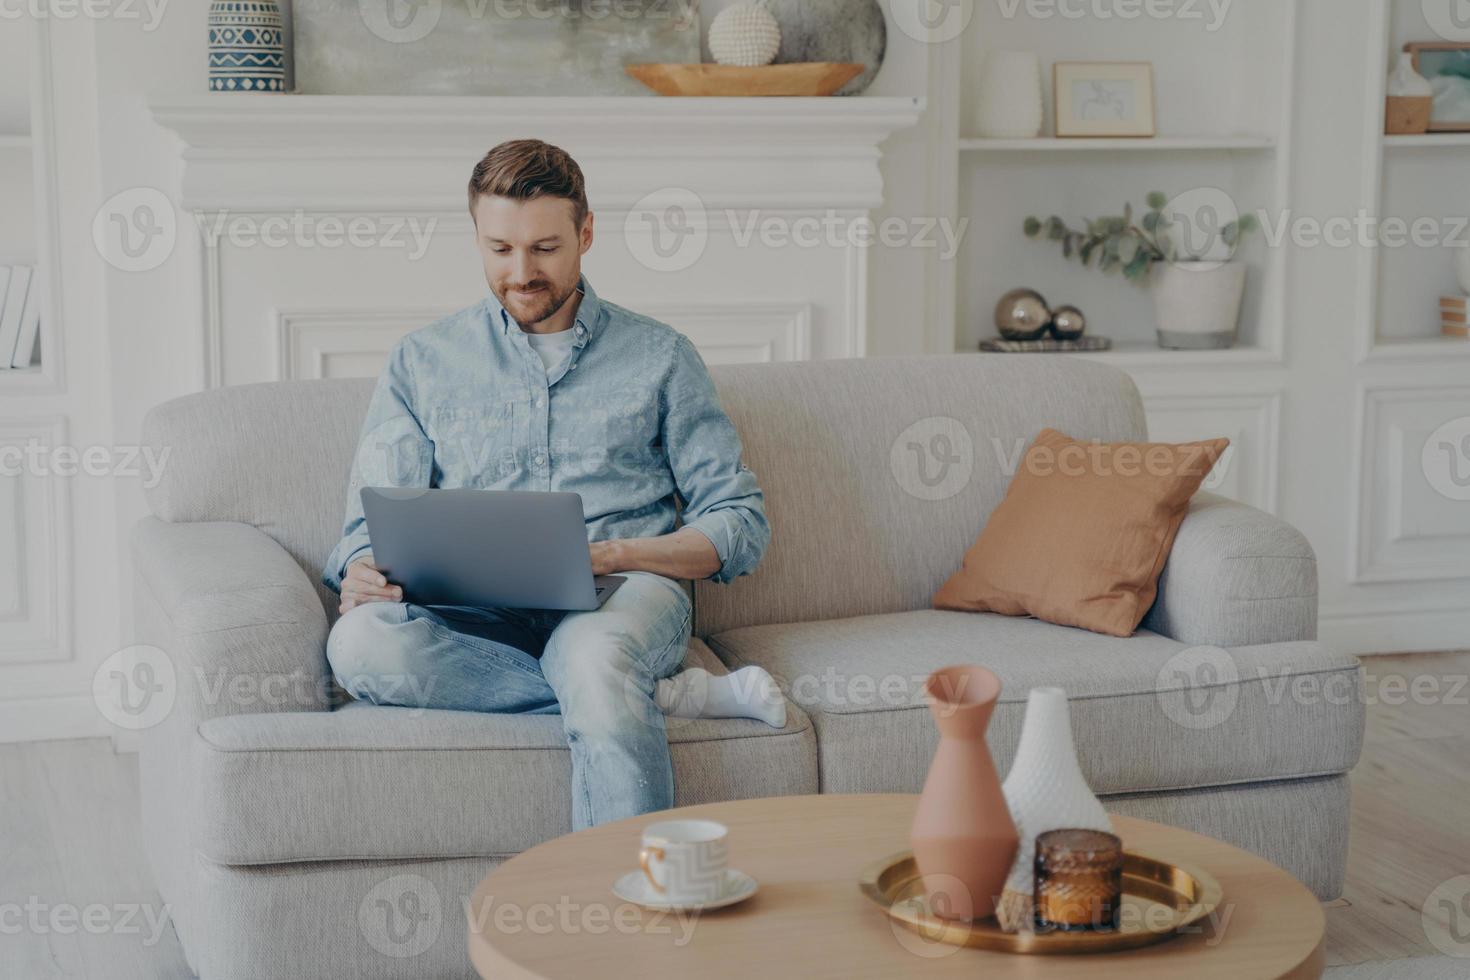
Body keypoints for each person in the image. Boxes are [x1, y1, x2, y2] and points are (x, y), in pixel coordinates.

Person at [320, 139, 782, 832]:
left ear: (586, 234)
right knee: (358, 644)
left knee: (594, 658)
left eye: (544, 248)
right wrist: (360, 570)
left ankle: (623, 921)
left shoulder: (661, 357)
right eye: (500, 249)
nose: (521, 271)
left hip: (620, 597)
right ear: (476, 237)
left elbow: (739, 524)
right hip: (470, 615)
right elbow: (369, 524)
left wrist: (619, 554)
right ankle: (649, 696)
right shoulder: (423, 362)